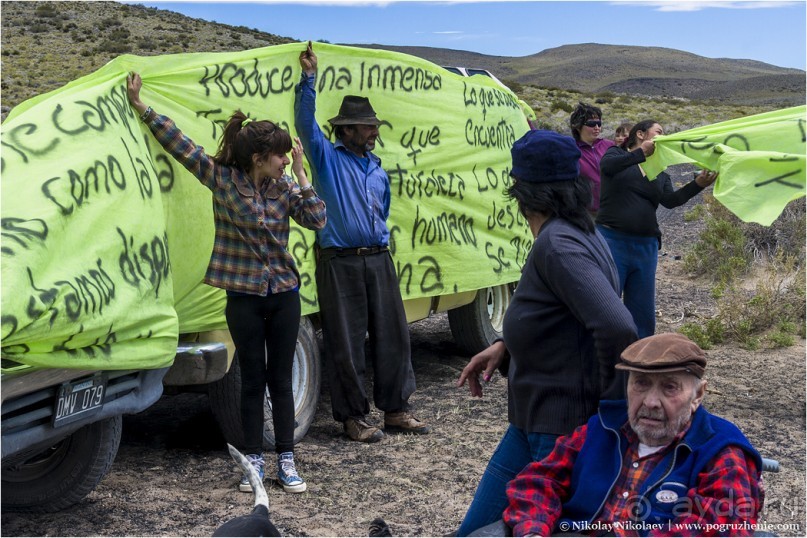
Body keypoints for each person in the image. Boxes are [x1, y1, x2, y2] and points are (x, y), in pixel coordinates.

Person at [126, 73, 327, 494]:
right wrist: (142, 107)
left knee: (280, 377)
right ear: (258, 157)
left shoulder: (285, 188)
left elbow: (317, 220)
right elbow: (182, 147)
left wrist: (304, 175)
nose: (285, 161)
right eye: (280, 156)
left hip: (285, 295)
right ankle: (253, 460)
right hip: (244, 298)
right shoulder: (222, 180)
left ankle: (286, 459)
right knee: (252, 378)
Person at [455, 129, 638, 536]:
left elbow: (616, 325)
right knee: (476, 530)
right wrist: (506, 345)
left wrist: (611, 408)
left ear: (522, 192)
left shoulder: (559, 244)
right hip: (534, 421)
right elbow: (564, 315)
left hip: (557, 429)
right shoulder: (581, 231)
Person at [294, 42, 430, 443]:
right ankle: (353, 418)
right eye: (368, 127)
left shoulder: (377, 168)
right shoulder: (326, 157)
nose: (374, 132)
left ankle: (397, 410)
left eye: (375, 126)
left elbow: (382, 210)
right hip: (340, 261)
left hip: (378, 258)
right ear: (347, 130)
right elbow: (305, 122)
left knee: (393, 334)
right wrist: (309, 78)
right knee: (346, 341)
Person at [504, 332, 764, 537]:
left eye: (669, 387)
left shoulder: (721, 449)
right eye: (640, 383)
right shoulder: (601, 428)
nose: (651, 401)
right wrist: (533, 532)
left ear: (698, 395)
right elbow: (539, 481)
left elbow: (725, 524)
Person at [597, 120, 718, 338]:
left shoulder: (660, 171)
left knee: (642, 309)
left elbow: (671, 200)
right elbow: (606, 168)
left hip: (645, 247)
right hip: (612, 241)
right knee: (607, 303)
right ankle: (603, 358)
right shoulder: (616, 154)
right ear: (641, 134)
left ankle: (641, 360)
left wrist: (698, 184)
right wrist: (640, 153)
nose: (663, 136)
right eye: (659, 132)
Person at [569, 102, 614, 214]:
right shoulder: (571, 150)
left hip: (614, 209)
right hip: (586, 212)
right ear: (578, 126)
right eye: (591, 123)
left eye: (599, 123)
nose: (597, 127)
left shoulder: (609, 145)